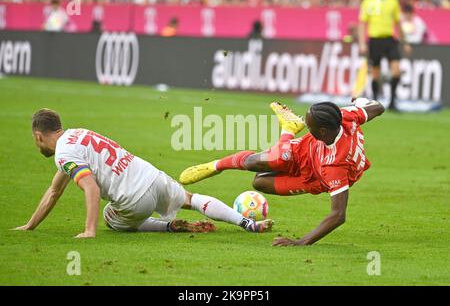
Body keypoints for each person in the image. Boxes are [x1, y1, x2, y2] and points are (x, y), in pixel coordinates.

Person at [13, 109, 273, 238]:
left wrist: (89, 230)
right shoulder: (77, 135)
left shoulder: (62, 154)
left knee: (110, 217)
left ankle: (168, 227)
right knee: (190, 199)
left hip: (133, 199)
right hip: (150, 175)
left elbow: (91, 188)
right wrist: (31, 225)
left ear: (38, 136)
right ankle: (247, 223)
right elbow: (55, 189)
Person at [179, 99, 385, 245]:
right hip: (303, 151)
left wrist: (302, 242)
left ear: (322, 131)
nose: (308, 127)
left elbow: (338, 215)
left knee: (259, 183)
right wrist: (360, 101)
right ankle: (217, 165)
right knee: (260, 162)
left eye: (309, 126)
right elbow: (378, 107)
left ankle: (288, 128)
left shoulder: (335, 167)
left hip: (314, 177)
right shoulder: (345, 116)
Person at [358, 0, 412, 111]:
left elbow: (398, 23)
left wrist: (405, 42)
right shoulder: (368, 1)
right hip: (375, 40)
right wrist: (362, 42)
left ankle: (392, 101)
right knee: (376, 72)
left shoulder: (393, 2)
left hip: (389, 39)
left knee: (396, 70)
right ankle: (375, 101)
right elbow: (362, 23)